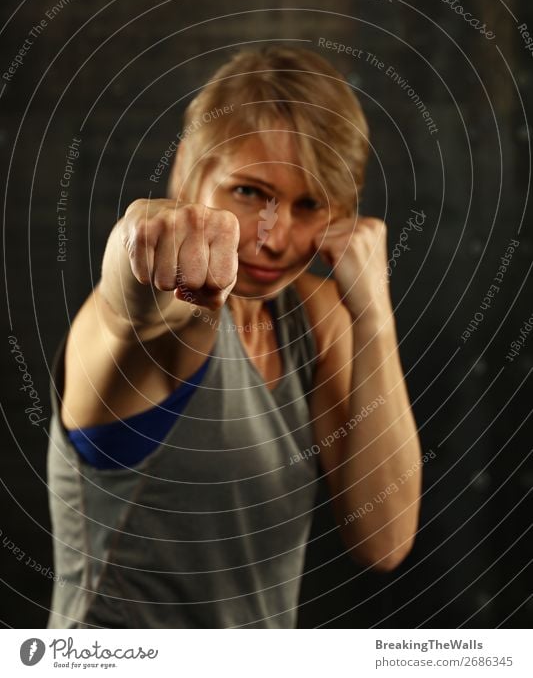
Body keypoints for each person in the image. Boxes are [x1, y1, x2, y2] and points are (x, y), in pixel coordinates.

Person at [47, 45, 422, 629]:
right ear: (187, 174)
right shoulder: (166, 319)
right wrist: (139, 243)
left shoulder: (317, 315)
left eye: (308, 205)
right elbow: (133, 312)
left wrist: (374, 319)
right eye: (248, 192)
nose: (277, 239)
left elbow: (385, 540)